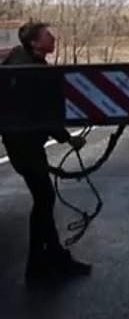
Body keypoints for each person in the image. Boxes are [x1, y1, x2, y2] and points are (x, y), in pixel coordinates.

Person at [0, 20, 92, 284]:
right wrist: (67, 139)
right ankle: (41, 263)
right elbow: (43, 113)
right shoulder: (33, 70)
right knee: (44, 198)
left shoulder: (19, 59)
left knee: (44, 199)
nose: (53, 39)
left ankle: (47, 260)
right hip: (23, 143)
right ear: (34, 43)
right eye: (47, 36)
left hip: (19, 142)